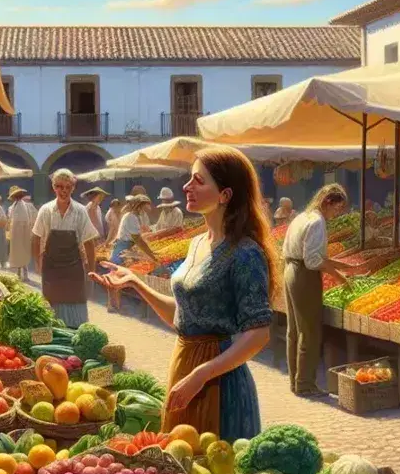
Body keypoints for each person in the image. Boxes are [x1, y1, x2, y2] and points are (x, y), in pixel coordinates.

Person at [93, 147, 274, 441]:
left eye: (198, 181)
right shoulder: (197, 243)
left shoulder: (245, 253)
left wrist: (202, 374)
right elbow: (183, 317)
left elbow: (259, 334)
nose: (187, 187)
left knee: (210, 469)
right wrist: (136, 284)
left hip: (220, 384)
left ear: (225, 195)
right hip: (186, 366)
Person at [281, 184, 354, 396]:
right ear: (326, 202)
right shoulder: (317, 222)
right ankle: (305, 384)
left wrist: (344, 266)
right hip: (304, 275)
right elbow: (313, 261)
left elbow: (315, 255)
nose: (336, 214)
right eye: (336, 209)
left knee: (294, 331)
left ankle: (296, 382)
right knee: (309, 332)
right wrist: (340, 278)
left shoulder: (302, 217)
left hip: (290, 269)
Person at [33, 170, 99, 327]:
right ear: (53, 187)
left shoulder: (80, 211)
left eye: (67, 187)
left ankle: (75, 338)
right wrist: (38, 262)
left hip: (73, 268)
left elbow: (89, 242)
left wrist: (91, 269)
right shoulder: (46, 210)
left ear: (73, 188)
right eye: (59, 186)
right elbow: (36, 238)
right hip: (51, 268)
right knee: (50, 305)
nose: (63, 191)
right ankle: (51, 341)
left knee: (75, 304)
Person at [7, 186, 34, 279]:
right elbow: (11, 219)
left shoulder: (24, 205)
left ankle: (25, 274)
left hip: (22, 233)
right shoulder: (13, 206)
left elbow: (27, 220)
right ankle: (18, 273)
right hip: (15, 233)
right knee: (17, 253)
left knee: (23, 252)